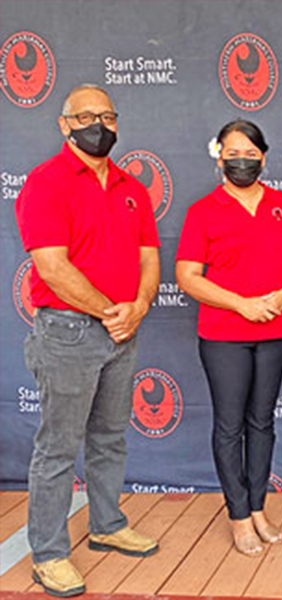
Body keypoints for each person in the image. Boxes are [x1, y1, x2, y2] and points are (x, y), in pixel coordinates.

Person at [15, 83, 160, 597]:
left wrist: (138, 307)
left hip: (123, 330)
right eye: (86, 115)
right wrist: (109, 312)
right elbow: (52, 267)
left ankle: (107, 524)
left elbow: (149, 257)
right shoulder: (45, 182)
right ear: (64, 124)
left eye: (107, 115)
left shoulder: (131, 187)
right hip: (69, 332)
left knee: (110, 437)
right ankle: (49, 555)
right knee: (57, 448)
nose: (99, 124)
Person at [175, 120, 282, 557]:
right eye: (234, 153)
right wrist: (241, 304)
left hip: (275, 330)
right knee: (229, 426)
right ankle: (237, 515)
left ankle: (257, 507)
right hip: (223, 336)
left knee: (263, 423)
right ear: (219, 157)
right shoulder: (203, 210)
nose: (243, 160)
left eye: (251, 154)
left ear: (264, 158)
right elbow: (187, 277)